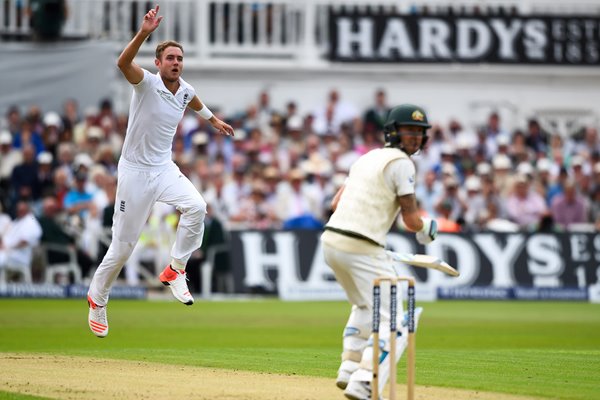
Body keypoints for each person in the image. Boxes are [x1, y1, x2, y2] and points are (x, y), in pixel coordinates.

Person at [87, 5, 234, 338]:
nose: (176, 63)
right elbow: (122, 64)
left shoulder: (185, 90)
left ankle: (176, 269)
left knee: (197, 207)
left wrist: (213, 120)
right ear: (158, 63)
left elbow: (194, 100)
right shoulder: (146, 84)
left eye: (180, 58)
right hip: (135, 172)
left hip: (163, 168)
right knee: (123, 247)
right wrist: (143, 34)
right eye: (170, 58)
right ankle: (98, 299)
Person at [321, 104, 438, 400]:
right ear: (393, 131)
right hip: (361, 244)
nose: (414, 137)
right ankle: (365, 381)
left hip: (331, 241)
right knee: (395, 320)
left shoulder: (367, 158)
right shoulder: (402, 163)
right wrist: (428, 227)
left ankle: (349, 367)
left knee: (364, 305)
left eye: (419, 132)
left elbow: (336, 203)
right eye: (409, 130)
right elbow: (411, 221)